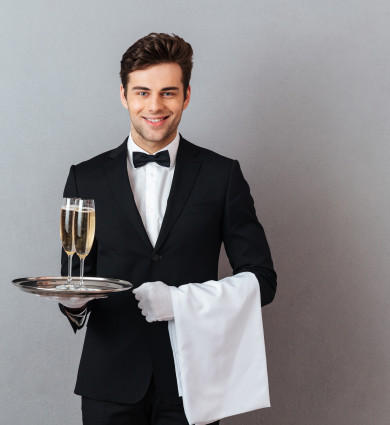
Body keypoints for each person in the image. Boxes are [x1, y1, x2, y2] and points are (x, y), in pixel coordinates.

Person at [57, 33, 277, 425]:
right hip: (109, 383)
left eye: (168, 93)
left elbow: (263, 281)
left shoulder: (222, 176)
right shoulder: (84, 177)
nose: (155, 106)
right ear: (124, 95)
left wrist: (180, 303)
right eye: (142, 92)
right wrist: (72, 304)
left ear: (186, 96)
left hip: (192, 382)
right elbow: (76, 277)